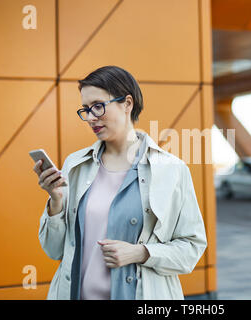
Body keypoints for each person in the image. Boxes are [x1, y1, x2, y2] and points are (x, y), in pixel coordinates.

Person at [33, 65, 207, 300]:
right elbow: (54, 251)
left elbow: (191, 248)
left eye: (98, 106)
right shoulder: (75, 165)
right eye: (86, 109)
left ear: (127, 103)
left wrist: (141, 253)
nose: (91, 117)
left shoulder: (171, 170)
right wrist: (56, 201)